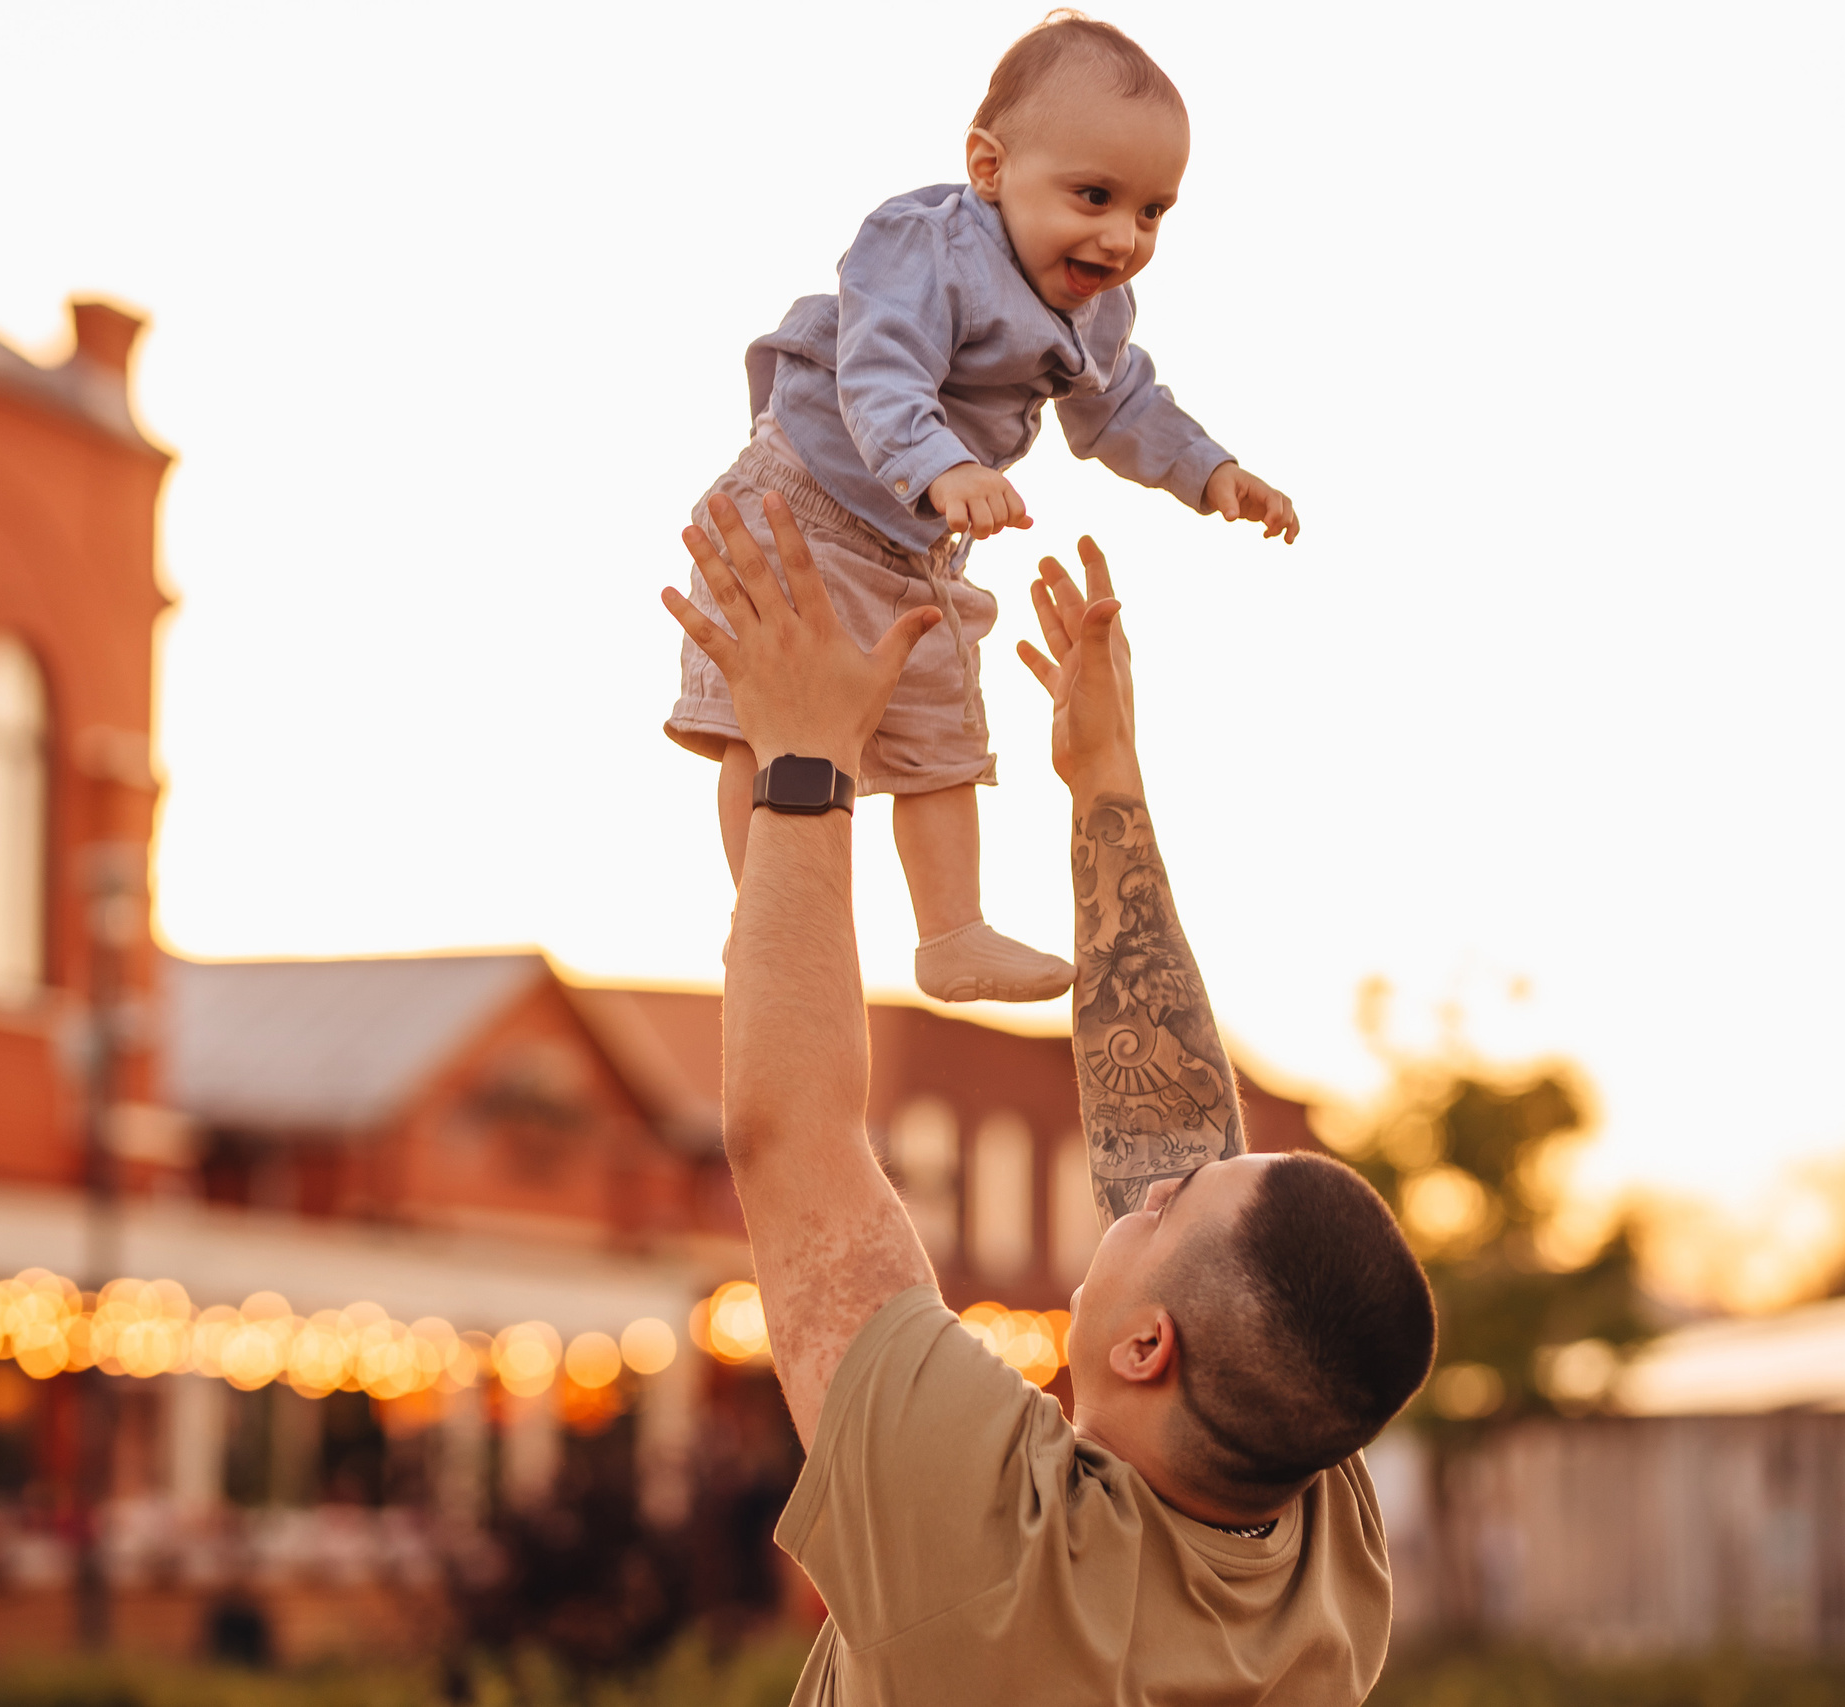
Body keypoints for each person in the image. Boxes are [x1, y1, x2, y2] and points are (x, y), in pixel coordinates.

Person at [659, 495, 1439, 1705]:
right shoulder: (1311, 1553)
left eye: (1173, 1207)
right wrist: (1105, 789)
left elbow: (792, 1141)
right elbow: (1183, 1160)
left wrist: (807, 759)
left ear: (1145, 1347)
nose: (1164, 1173)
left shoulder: (992, 1555)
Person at [663, 12, 1301, 1007]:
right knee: (771, 721)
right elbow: (880, 371)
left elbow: (1120, 403)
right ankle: (767, 924)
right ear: (990, 166)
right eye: (1093, 196)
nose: (1121, 236)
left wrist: (1212, 474)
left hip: (916, 544)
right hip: (807, 506)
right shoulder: (921, 247)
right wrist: (940, 466)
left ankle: (951, 936)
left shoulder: (1096, 308)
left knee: (939, 736)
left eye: (1152, 212)